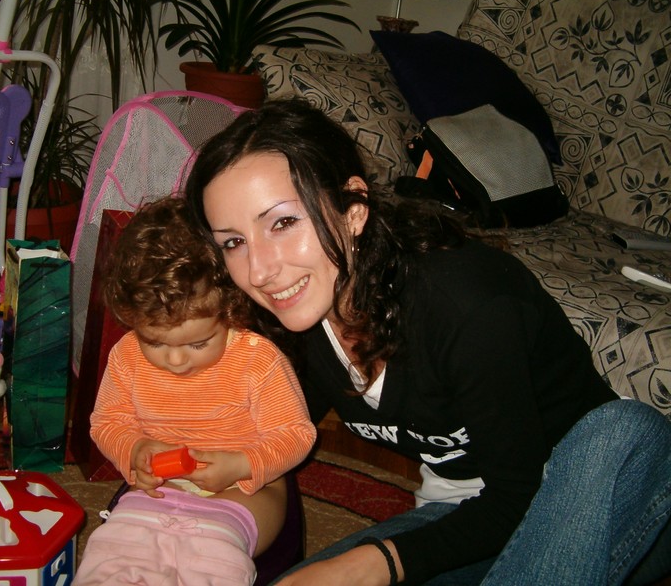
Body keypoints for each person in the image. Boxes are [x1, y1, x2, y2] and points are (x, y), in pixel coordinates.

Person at [184, 97, 671, 585]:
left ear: (353, 210)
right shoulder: (296, 318)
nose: (259, 271)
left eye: (283, 223)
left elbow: (516, 496)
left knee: (623, 429)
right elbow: (269, 433)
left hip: (596, 503)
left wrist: (373, 564)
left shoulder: (467, 305)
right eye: (234, 242)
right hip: (467, 514)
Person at [74, 196, 317, 585]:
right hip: (160, 487)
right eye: (154, 342)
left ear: (230, 308)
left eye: (198, 343)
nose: (175, 360)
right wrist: (134, 449)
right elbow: (107, 421)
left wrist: (242, 465)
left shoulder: (257, 360)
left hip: (243, 490)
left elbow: (295, 435)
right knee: (111, 547)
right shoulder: (126, 356)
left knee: (212, 556)